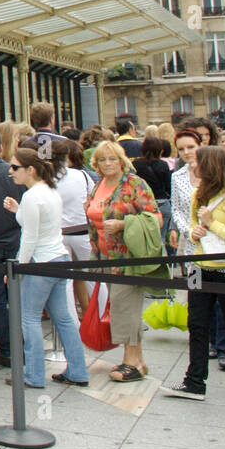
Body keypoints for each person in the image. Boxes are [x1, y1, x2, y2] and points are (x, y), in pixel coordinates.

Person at [162, 146, 225, 402]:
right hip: (199, 266)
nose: (193, 164)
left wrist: (213, 224)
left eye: (197, 161)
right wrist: (195, 232)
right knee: (197, 324)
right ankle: (194, 382)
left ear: (211, 165)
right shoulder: (199, 194)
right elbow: (193, 227)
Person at [3, 144, 89, 388]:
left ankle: (33, 374)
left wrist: (18, 266)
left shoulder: (32, 195)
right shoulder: (49, 190)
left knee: (29, 318)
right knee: (63, 318)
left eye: (15, 167)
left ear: (30, 169)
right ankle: (78, 370)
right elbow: (41, 226)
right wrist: (18, 211)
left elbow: (29, 236)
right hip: (59, 258)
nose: (11, 171)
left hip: (41, 262)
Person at [88, 140, 160, 382]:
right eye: (102, 159)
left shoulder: (133, 185)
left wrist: (122, 224)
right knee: (121, 307)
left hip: (127, 256)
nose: (107, 163)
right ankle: (137, 361)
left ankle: (131, 361)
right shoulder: (99, 185)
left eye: (112, 158)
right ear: (95, 163)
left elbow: (155, 218)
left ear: (122, 160)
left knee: (124, 306)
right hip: (104, 256)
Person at [171, 128, 225, 371]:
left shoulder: (215, 173)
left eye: (191, 147)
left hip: (220, 244)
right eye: (182, 149)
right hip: (193, 247)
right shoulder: (177, 176)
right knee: (198, 293)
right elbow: (176, 208)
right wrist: (187, 230)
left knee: (223, 297)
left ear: (201, 145)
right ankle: (207, 341)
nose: (187, 152)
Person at [59, 141, 94, 313]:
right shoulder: (84, 176)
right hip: (82, 230)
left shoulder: (50, 177)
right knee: (92, 278)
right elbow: (92, 201)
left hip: (61, 232)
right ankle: (98, 317)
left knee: (67, 281)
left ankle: (76, 319)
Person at [133, 136, 172, 230]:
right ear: (160, 150)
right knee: (161, 237)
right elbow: (168, 186)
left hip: (144, 204)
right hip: (162, 202)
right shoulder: (163, 164)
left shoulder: (136, 164)